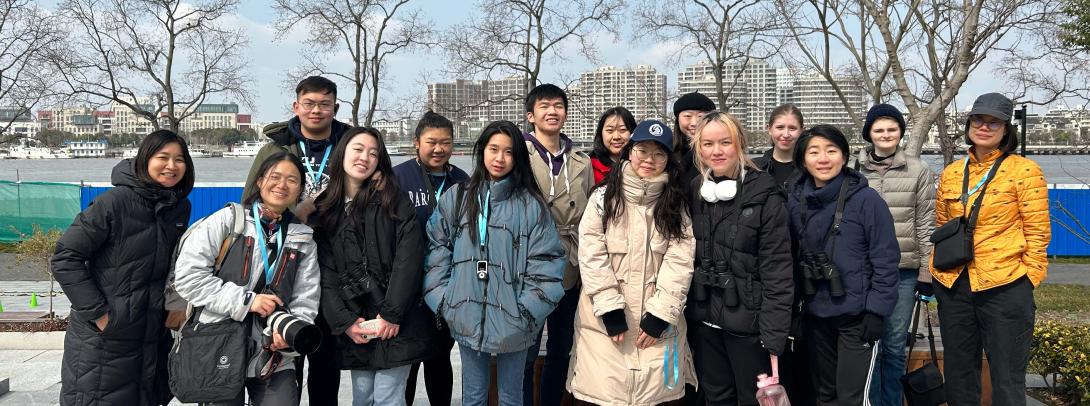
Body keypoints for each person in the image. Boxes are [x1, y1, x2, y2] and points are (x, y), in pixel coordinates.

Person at [424, 120, 567, 406]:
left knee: (511, 397)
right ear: (482, 151)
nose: (499, 158)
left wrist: (526, 310)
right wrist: (445, 301)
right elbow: (436, 248)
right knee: (473, 396)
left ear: (518, 158)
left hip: (516, 319)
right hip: (465, 313)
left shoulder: (531, 205)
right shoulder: (459, 197)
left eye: (509, 152)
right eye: (493, 149)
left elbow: (548, 263)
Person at [52, 130, 194, 406]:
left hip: (151, 336)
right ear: (144, 159)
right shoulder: (113, 202)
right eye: (162, 157)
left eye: (179, 159)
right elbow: (65, 257)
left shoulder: (178, 208)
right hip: (104, 341)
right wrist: (100, 314)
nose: (171, 166)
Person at [173, 151, 321, 405]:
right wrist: (247, 301)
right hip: (217, 341)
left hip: (273, 353)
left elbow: (306, 298)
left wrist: (289, 337)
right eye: (275, 176)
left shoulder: (303, 238)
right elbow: (188, 278)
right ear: (260, 180)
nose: (282, 185)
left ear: (300, 190)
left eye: (292, 180)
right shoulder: (228, 221)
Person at [931, 93, 1050, 406]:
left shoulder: (1024, 170)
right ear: (969, 123)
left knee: (1008, 377)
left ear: (1006, 128)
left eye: (993, 121)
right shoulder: (952, 173)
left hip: (1006, 284)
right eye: (978, 119)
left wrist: (1030, 277)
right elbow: (943, 224)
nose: (984, 126)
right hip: (955, 284)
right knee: (958, 373)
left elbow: (1038, 231)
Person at [568, 120, 697, 405]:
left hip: (658, 327)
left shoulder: (675, 204)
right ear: (629, 152)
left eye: (659, 154)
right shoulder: (604, 198)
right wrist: (609, 310)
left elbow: (680, 261)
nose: (649, 160)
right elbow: (591, 255)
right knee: (602, 395)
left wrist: (661, 316)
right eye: (642, 150)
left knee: (657, 396)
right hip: (604, 324)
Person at [241, 76, 348, 405]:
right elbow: (250, 203)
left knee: (326, 356)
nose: (316, 111)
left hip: (336, 261)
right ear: (296, 106)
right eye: (310, 104)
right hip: (286, 258)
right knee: (286, 352)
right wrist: (293, 212)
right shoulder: (275, 149)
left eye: (324, 104)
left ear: (335, 108)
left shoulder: (349, 145)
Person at [312, 127, 431, 406]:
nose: (364, 157)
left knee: (389, 397)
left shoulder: (393, 201)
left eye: (373, 153)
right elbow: (325, 273)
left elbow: (409, 260)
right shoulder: (327, 210)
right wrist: (345, 321)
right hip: (358, 323)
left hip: (395, 321)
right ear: (342, 153)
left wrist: (392, 314)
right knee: (363, 397)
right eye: (358, 149)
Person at [685, 112, 794, 405]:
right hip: (705, 319)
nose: (716, 151)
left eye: (725, 142)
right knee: (716, 397)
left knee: (753, 399)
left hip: (750, 325)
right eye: (707, 144)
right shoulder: (696, 190)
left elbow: (778, 270)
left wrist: (773, 335)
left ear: (740, 144)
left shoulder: (765, 194)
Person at [786, 124, 899, 405]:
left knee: (852, 397)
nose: (823, 159)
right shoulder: (795, 200)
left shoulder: (866, 200)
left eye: (831, 150)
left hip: (856, 316)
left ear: (845, 155)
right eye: (814, 152)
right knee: (824, 394)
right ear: (802, 159)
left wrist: (876, 312)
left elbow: (885, 259)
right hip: (815, 313)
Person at [854, 104, 937, 406]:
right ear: (869, 134)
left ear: (900, 132)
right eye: (879, 129)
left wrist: (927, 274)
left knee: (892, 344)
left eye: (892, 129)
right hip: (864, 271)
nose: (886, 134)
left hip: (903, 270)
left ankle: (890, 402)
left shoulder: (919, 170)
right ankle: (869, 401)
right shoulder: (854, 170)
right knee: (867, 343)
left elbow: (927, 223)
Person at [519, 83, 594, 406]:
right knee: (526, 348)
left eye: (558, 106)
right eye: (545, 106)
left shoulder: (581, 160)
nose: (552, 112)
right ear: (531, 115)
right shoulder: (519, 153)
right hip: (530, 265)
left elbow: (590, 210)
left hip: (570, 265)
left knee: (561, 348)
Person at [392, 111, 468, 406]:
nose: (439, 149)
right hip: (406, 287)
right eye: (431, 142)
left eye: (445, 142)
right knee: (407, 362)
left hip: (446, 285)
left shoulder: (462, 181)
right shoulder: (397, 178)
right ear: (417, 143)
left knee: (439, 358)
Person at [753, 104, 805, 189]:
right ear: (769, 129)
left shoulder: (811, 168)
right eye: (780, 127)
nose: (786, 134)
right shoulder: (754, 168)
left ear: (802, 131)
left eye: (792, 128)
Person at [672, 92, 717, 183]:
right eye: (687, 116)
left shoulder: (717, 153)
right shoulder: (668, 151)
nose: (694, 123)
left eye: (701, 116)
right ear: (678, 120)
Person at [588, 106, 636, 184]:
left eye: (623, 130)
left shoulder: (642, 166)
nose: (616, 137)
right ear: (601, 134)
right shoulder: (588, 167)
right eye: (610, 130)